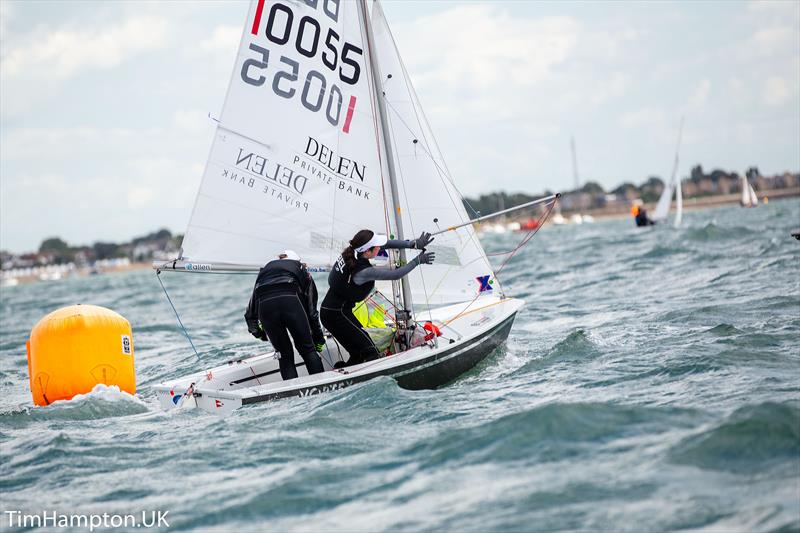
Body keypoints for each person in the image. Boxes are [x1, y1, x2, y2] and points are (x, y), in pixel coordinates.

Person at [320, 229, 436, 367]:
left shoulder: (353, 252)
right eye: (377, 247)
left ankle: (345, 372)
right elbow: (395, 275)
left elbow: (387, 244)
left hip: (334, 311)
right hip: (336, 315)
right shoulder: (364, 271)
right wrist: (417, 261)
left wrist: (413, 244)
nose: (380, 248)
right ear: (367, 251)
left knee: (358, 352)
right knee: (371, 352)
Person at [244, 250, 325, 380]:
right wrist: (319, 338)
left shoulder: (264, 273)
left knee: (284, 354)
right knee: (308, 350)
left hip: (266, 308)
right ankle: (322, 386)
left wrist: (259, 333)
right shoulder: (302, 271)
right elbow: (312, 312)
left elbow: (250, 314)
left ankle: (293, 395)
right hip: (290, 302)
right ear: (298, 262)